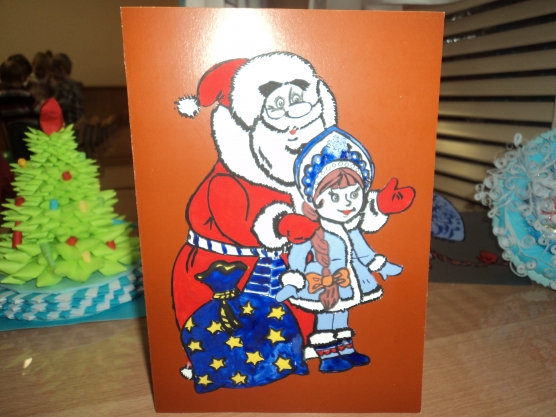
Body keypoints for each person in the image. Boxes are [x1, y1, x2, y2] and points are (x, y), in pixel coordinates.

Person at [172, 52, 415, 379]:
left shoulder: (308, 173)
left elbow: (336, 210)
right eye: (281, 125)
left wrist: (376, 206)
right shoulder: (228, 179)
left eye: (304, 123)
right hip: (224, 270)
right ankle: (205, 366)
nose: (294, 134)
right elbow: (236, 219)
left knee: (297, 318)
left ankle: (306, 349)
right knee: (223, 332)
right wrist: (281, 224)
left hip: (292, 264)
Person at [276, 126, 412, 373]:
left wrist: (380, 265)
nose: (347, 204)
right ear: (315, 200)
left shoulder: (351, 227)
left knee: (342, 314)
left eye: (353, 195)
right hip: (320, 281)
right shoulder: (309, 230)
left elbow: (363, 251)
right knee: (326, 317)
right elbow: (297, 257)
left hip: (348, 280)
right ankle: (328, 357)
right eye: (336, 197)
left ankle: (346, 350)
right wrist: (293, 280)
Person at [0, 60, 38, 159]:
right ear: (22, 77)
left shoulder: (2, 96)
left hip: (12, 129)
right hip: (30, 128)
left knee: (20, 156)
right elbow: (37, 109)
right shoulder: (25, 94)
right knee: (35, 154)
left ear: (2, 78)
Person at [50, 53, 84, 124]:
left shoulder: (66, 84)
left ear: (61, 69)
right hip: (78, 121)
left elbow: (63, 104)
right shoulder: (73, 84)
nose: (51, 74)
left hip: (71, 122)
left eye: (53, 70)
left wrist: (47, 106)